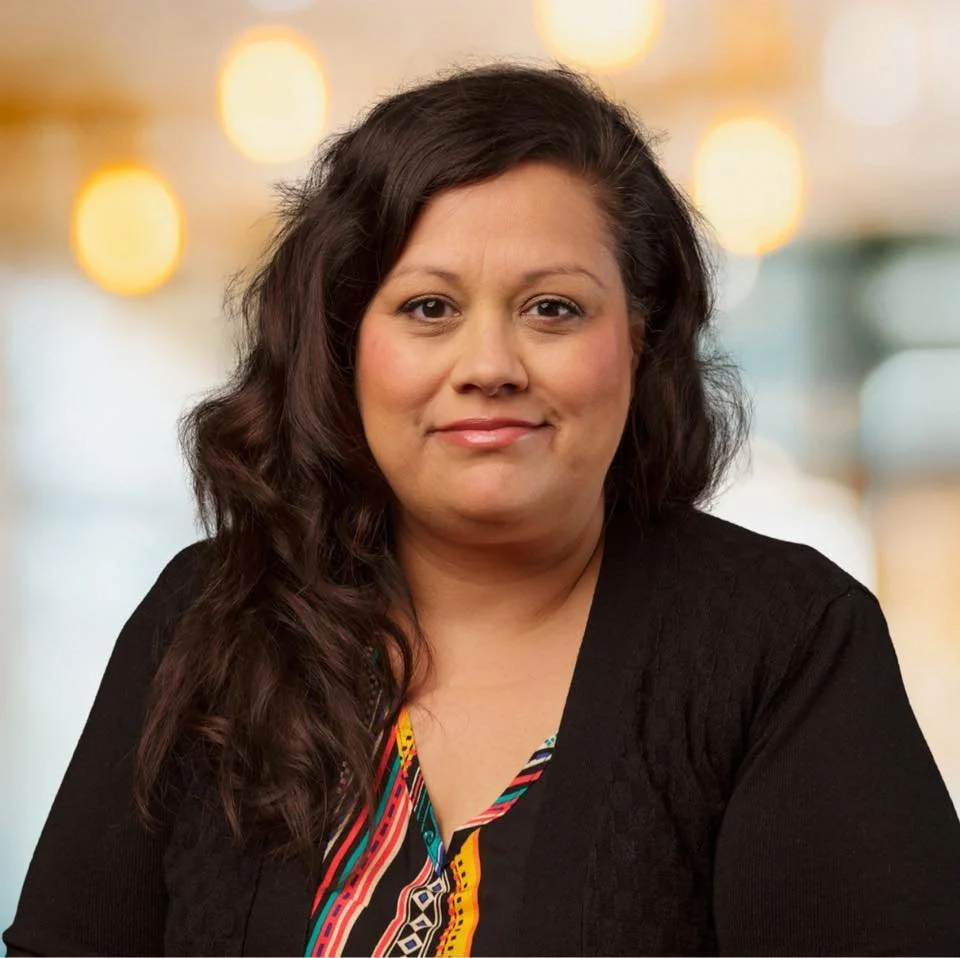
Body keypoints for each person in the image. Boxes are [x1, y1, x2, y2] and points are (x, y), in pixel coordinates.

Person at [5, 63, 960, 957]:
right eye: (428, 308)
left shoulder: (780, 643)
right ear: (344, 347)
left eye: (553, 309)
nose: (491, 364)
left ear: (641, 338)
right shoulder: (209, 619)